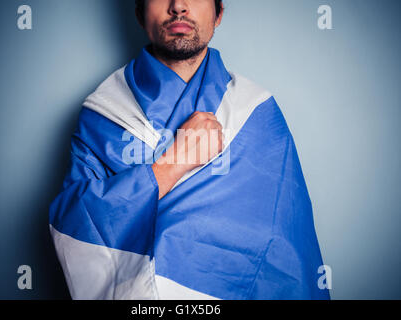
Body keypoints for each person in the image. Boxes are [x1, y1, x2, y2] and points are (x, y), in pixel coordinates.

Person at [49, 0, 330, 300]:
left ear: (218, 13)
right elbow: (75, 225)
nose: (179, 6)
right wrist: (171, 166)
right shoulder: (103, 113)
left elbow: (287, 249)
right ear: (140, 14)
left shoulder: (256, 112)